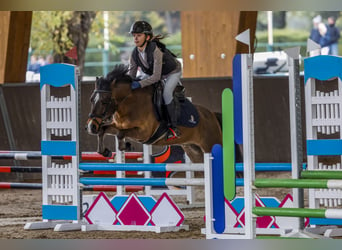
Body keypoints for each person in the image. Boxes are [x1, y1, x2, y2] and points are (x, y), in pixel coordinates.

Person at [127, 21, 182, 141]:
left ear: (147, 37)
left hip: (171, 72)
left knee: (166, 94)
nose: (135, 38)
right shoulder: (134, 53)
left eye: (139, 35)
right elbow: (131, 74)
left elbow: (156, 77)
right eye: (134, 35)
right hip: (153, 73)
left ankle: (173, 127)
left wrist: (139, 83)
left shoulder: (155, 50)